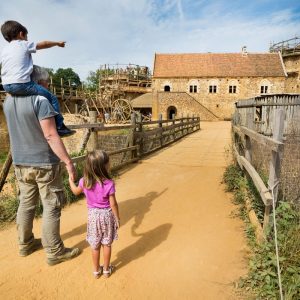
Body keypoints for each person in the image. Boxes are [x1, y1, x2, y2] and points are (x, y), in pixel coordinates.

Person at [3, 66, 80, 265]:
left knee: (26, 203)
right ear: (39, 83)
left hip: (21, 163)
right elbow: (50, 135)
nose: (48, 87)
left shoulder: (8, 101)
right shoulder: (41, 100)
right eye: (46, 83)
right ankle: (54, 251)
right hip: (44, 162)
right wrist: (68, 162)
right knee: (51, 205)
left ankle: (25, 243)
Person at [0, 20, 73, 136]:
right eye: (26, 36)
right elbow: (44, 43)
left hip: (6, 86)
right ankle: (60, 126)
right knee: (52, 98)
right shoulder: (22, 44)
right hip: (22, 84)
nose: (27, 39)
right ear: (21, 34)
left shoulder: (5, 50)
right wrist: (57, 43)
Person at [68, 150, 120, 278]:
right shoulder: (109, 183)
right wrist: (117, 218)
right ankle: (107, 270)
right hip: (107, 216)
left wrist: (70, 181)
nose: (109, 164)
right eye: (108, 162)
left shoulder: (84, 181)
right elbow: (113, 204)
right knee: (107, 243)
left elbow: (75, 191)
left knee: (95, 245)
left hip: (93, 217)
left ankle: (96, 271)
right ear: (103, 167)